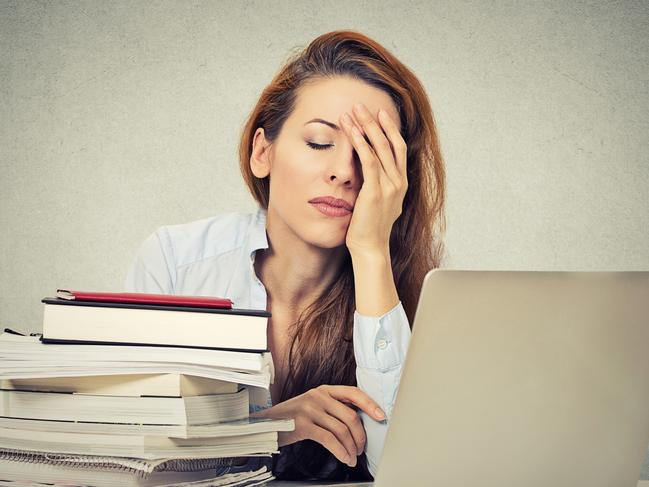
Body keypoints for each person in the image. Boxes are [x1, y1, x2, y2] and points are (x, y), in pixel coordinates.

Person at [124, 29, 446, 481]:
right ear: (263, 152)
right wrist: (265, 430)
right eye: (319, 143)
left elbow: (408, 466)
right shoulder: (175, 262)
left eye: (371, 155)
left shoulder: (418, 291)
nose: (343, 172)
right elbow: (127, 452)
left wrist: (371, 251)